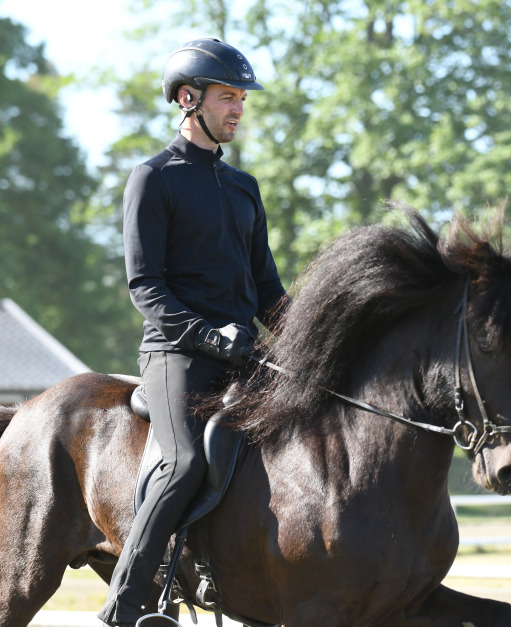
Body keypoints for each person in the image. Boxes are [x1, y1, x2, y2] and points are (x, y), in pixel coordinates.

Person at [98, 38, 289, 626]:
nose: (238, 109)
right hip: (176, 355)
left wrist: (311, 340)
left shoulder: (243, 188)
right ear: (189, 99)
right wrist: (210, 337)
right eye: (227, 97)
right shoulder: (152, 178)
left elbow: (267, 291)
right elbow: (146, 286)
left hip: (245, 358)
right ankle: (125, 608)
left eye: (241, 99)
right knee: (183, 465)